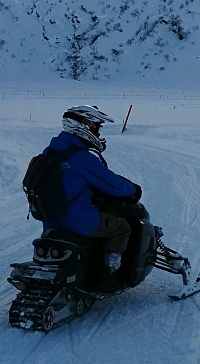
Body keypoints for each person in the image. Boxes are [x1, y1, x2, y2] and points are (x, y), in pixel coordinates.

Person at [42, 105, 141, 272]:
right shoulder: (81, 157)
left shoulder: (50, 152)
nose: (98, 131)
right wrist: (134, 190)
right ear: (83, 125)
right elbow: (112, 184)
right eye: (96, 126)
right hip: (78, 221)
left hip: (51, 220)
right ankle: (110, 270)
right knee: (122, 227)